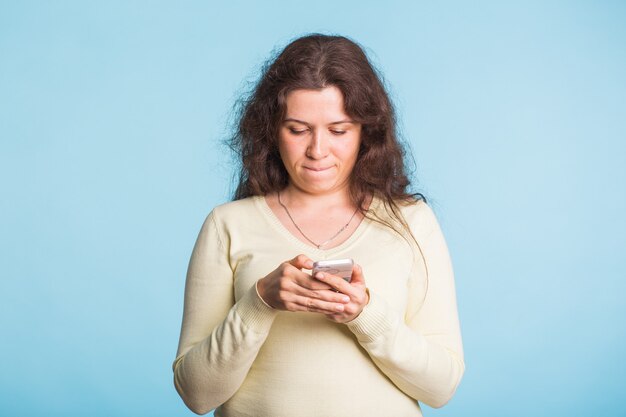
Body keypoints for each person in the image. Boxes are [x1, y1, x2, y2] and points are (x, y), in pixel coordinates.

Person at [172, 34, 464, 417]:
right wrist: (260, 302)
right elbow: (197, 395)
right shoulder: (227, 225)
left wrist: (365, 315)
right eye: (297, 129)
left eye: (339, 130)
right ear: (271, 131)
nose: (317, 150)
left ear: (366, 133)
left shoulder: (412, 223)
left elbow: (441, 388)